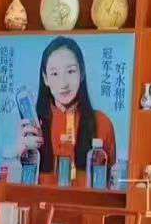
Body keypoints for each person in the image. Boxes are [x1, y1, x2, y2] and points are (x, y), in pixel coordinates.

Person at [17, 36, 117, 175]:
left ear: (82, 73)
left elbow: (111, 179)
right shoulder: (33, 127)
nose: (63, 83)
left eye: (70, 71)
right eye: (55, 73)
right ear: (45, 78)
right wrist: (20, 154)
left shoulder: (102, 123)